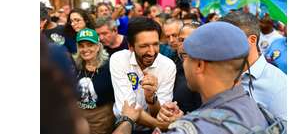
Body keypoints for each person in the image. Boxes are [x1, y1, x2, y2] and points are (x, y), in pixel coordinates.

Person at [113, 22, 269, 134]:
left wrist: (128, 119)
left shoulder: (189, 129)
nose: (183, 63)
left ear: (199, 65)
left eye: (187, 57)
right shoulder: (257, 108)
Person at [110, 17, 176, 133]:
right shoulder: (118, 59)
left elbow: (161, 114)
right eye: (144, 46)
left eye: (155, 44)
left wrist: (151, 99)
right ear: (130, 46)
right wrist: (161, 125)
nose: (151, 52)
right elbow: (127, 109)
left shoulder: (168, 66)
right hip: (124, 127)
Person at [220, 11, 287, 120]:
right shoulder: (216, 74)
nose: (222, 45)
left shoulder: (280, 86)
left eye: (229, 39)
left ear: (251, 40)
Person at [74, 28, 116, 134]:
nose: (85, 49)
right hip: (78, 117)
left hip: (101, 119)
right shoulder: (75, 65)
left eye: (90, 45)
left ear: (98, 47)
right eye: (81, 46)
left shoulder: (109, 66)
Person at [172, 22, 202, 114]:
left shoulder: (208, 73)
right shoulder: (170, 66)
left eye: (190, 40)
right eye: (181, 40)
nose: (184, 45)